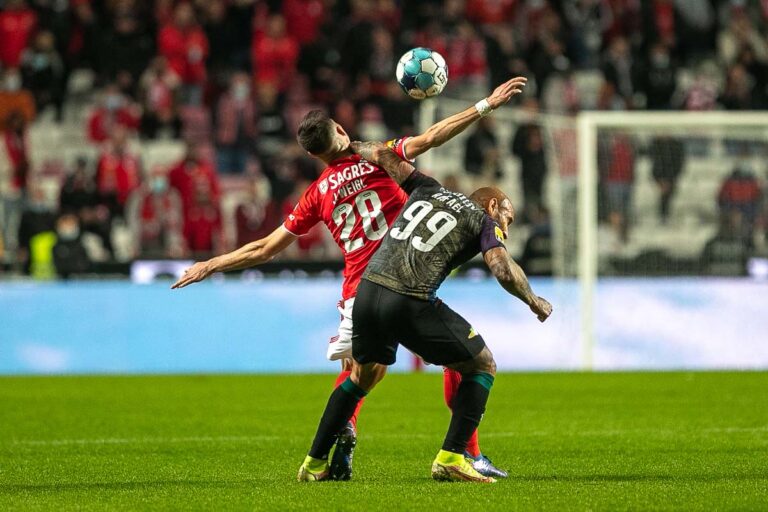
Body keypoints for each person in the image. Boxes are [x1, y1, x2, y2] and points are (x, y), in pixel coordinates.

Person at [172, 76, 528, 480]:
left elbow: (265, 248)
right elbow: (432, 136)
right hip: (405, 277)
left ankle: (331, 446)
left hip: (358, 293)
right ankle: (464, 453)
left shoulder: (316, 193)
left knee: (360, 376)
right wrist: (486, 105)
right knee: (465, 361)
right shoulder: (377, 157)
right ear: (341, 131)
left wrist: (210, 265)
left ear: (311, 154)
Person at [297, 140, 552, 483]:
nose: (506, 225)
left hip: (368, 290)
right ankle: (453, 457)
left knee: (361, 377)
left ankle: (313, 464)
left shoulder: (428, 187)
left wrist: (353, 146)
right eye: (508, 215)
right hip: (408, 298)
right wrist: (534, 300)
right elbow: (503, 269)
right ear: (493, 204)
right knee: (482, 363)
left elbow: (386, 157)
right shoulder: (482, 220)